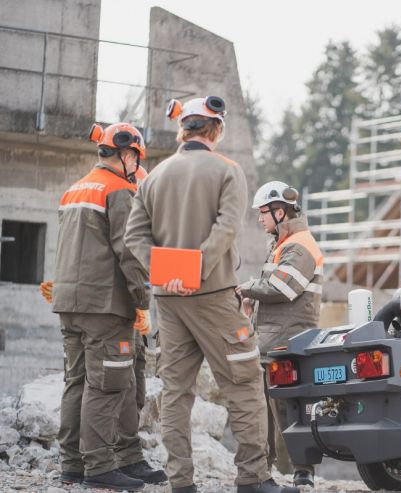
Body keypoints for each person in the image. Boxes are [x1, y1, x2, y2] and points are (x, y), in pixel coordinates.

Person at [124, 96, 298, 493]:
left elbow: (133, 236)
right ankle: (253, 478)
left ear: (182, 129)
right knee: (244, 384)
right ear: (216, 130)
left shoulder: (153, 177)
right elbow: (226, 228)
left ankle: (180, 482)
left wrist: (166, 273)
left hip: (167, 300)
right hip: (215, 294)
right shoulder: (227, 170)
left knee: (175, 392)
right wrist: (195, 271)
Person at [51, 122, 166, 491]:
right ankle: (100, 466)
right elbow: (129, 252)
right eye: (137, 158)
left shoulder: (75, 189)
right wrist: (142, 301)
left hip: (70, 303)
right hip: (105, 306)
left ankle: (76, 464)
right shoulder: (118, 189)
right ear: (127, 154)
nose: (137, 166)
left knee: (78, 381)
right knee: (107, 386)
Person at [237, 181, 323, 488]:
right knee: (268, 411)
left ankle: (304, 473)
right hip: (274, 341)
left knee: (291, 409)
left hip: (291, 342)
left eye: (264, 213)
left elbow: (283, 288)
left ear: (280, 211)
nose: (260, 220)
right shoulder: (282, 244)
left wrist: (244, 288)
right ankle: (267, 472)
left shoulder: (300, 245)